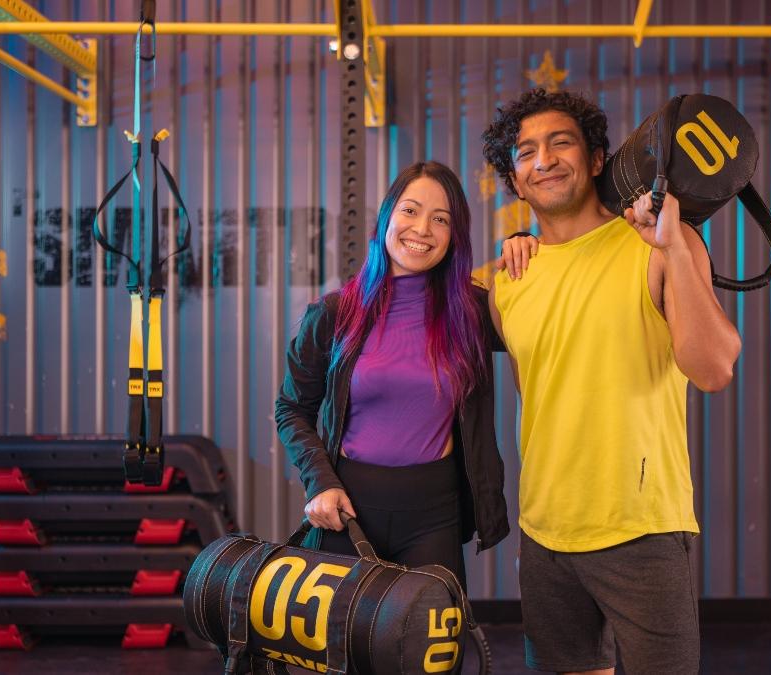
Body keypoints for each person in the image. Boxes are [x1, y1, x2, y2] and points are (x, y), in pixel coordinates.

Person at [483, 89, 742, 674]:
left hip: (640, 525)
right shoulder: (509, 280)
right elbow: (538, 392)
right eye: (526, 153)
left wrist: (675, 246)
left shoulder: (655, 244)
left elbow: (715, 368)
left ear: (597, 159)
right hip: (545, 529)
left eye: (560, 142)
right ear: (515, 182)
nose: (543, 159)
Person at [275, 160, 528, 585]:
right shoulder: (335, 315)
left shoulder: (474, 312)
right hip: (348, 513)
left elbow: (547, 320)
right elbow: (291, 408)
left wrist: (528, 247)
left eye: (441, 219)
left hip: (434, 518)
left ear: (454, 236)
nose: (423, 229)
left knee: (433, 651)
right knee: (345, 651)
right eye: (410, 210)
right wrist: (319, 482)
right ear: (387, 216)